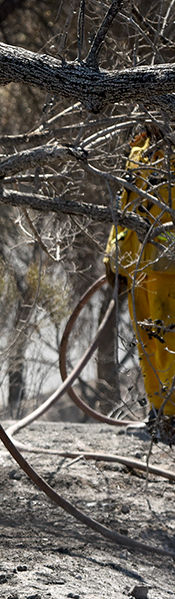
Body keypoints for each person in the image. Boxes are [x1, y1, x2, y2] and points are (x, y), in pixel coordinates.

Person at [103, 127, 175, 441]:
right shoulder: (140, 150)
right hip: (139, 265)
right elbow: (127, 204)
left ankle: (171, 418)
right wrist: (113, 256)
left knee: (168, 347)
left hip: (168, 270)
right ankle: (159, 417)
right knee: (148, 345)